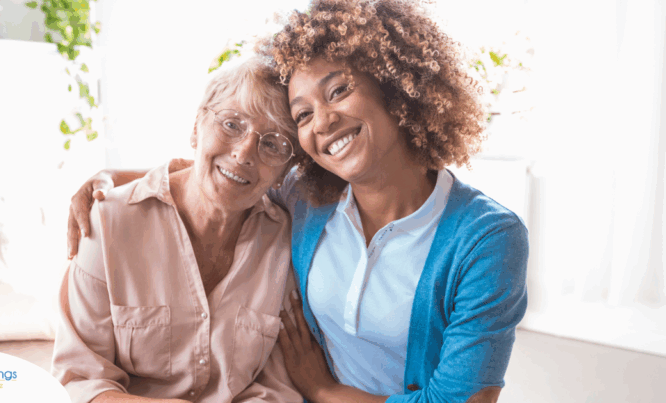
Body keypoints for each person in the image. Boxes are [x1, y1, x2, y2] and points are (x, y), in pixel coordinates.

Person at [66, 1, 528, 402]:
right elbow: (224, 172)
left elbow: (463, 401)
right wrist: (112, 179)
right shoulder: (310, 200)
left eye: (339, 90)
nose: (323, 122)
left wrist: (323, 391)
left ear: (395, 86)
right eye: (303, 114)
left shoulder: (486, 239)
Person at [51, 55, 305, 403]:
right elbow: (81, 381)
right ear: (197, 126)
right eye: (232, 124)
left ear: (286, 169)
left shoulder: (284, 242)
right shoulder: (109, 224)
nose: (245, 153)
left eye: (273, 144)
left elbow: (275, 388)